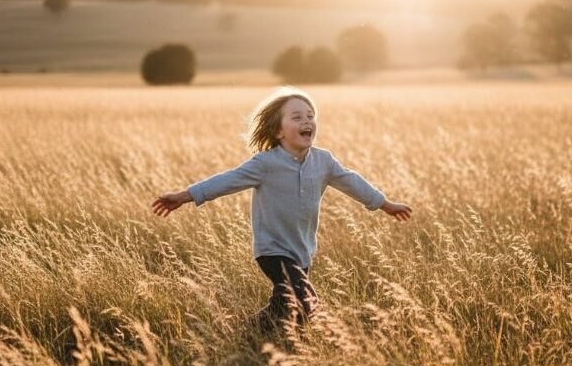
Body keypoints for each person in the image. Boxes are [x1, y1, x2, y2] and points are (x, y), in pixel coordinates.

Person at [151, 87, 412, 333]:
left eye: (310, 116)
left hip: (303, 250)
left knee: (285, 304)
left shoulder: (324, 161)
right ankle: (296, 347)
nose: (306, 122)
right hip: (272, 249)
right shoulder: (265, 164)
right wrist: (185, 196)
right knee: (305, 300)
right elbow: (226, 181)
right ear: (278, 131)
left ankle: (250, 331)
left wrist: (386, 204)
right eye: (296, 117)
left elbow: (353, 182)